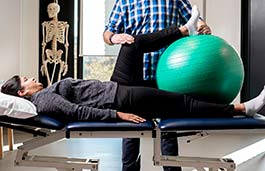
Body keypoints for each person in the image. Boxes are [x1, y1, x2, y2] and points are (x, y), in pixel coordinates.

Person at [104, 2, 211, 170]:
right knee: (131, 130)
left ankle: (171, 169)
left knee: (167, 130)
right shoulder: (125, 2)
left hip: (166, 73)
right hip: (135, 75)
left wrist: (202, 25)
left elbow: (197, 20)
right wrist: (113, 37)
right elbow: (108, 32)